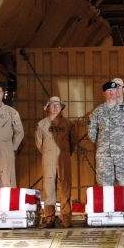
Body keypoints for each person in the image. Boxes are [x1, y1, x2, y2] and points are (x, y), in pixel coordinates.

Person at [88, 81, 124, 185]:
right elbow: (91, 129)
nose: (111, 93)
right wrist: (100, 143)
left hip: (123, 155)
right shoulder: (97, 112)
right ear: (104, 93)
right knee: (105, 186)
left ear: (117, 92)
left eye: (114, 90)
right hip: (104, 157)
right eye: (108, 91)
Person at [35, 96, 75, 228]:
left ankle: (66, 218)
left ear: (61, 107)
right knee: (48, 187)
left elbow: (72, 142)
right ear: (48, 107)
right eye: (52, 105)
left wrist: (64, 153)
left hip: (64, 158)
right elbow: (39, 144)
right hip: (48, 158)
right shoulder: (41, 125)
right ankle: (49, 218)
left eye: (58, 105)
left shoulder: (69, 124)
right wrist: (49, 153)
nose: (55, 107)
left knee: (65, 186)